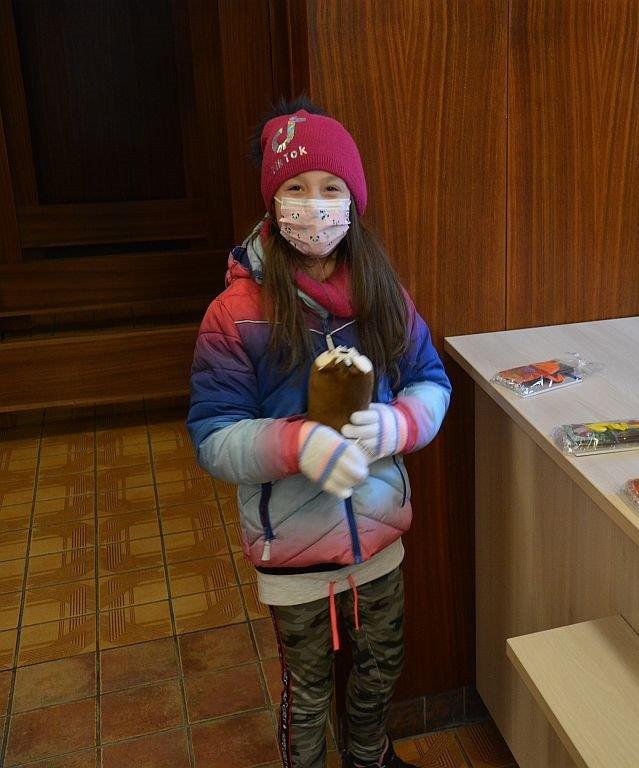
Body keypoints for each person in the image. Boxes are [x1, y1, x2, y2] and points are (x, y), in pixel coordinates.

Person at [187, 97, 451, 768]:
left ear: (353, 200)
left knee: (381, 668)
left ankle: (370, 758)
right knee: (306, 693)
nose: (314, 204)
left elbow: (431, 380)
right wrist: (297, 444)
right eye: (296, 188)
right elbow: (214, 437)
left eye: (331, 188)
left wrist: (396, 424)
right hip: (293, 552)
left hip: (380, 538)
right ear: (273, 201)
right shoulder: (235, 313)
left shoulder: (382, 292)